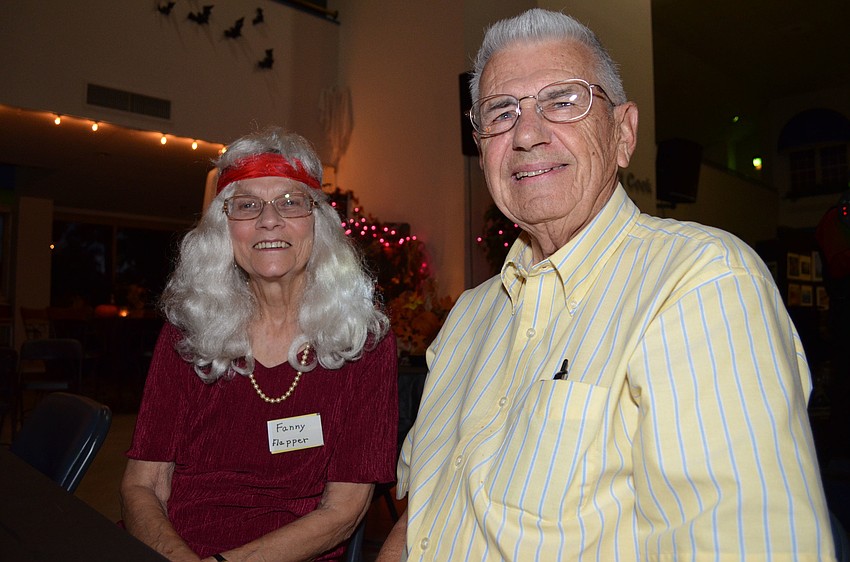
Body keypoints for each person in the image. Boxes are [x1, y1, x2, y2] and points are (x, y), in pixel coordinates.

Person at [378, 9, 835, 562]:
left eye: (563, 100)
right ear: (482, 150)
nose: (526, 133)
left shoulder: (700, 282)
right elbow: (424, 509)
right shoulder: (469, 316)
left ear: (623, 133)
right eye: (501, 112)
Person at [121, 127, 398, 562]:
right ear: (223, 232)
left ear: (320, 225)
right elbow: (143, 483)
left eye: (291, 202)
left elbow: (344, 509)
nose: (269, 220)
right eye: (246, 206)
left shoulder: (364, 340)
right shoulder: (187, 332)